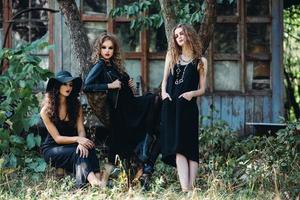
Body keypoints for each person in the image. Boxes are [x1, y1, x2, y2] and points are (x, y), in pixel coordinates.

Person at [83, 32, 161, 186]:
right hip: (120, 111)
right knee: (115, 145)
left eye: (110, 48)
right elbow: (87, 86)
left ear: (114, 50)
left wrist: (130, 86)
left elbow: (126, 88)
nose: (107, 51)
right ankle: (104, 182)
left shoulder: (113, 65)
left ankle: (147, 139)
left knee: (155, 100)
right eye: (104, 47)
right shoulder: (99, 65)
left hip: (129, 106)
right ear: (99, 49)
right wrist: (109, 86)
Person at [160, 23, 207, 192]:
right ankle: (185, 189)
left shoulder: (200, 61)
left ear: (189, 35)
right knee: (178, 146)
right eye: (176, 35)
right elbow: (164, 81)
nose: (179, 37)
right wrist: (164, 93)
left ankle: (192, 188)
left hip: (188, 109)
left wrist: (190, 94)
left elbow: (203, 89)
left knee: (191, 147)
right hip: (172, 108)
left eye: (181, 34)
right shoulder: (171, 56)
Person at [40, 71, 103, 188]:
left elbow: (81, 130)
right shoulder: (46, 110)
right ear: (57, 86)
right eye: (65, 84)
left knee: (89, 146)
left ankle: (97, 180)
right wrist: (78, 140)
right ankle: (94, 183)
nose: (68, 87)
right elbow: (57, 139)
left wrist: (82, 141)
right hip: (52, 148)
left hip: (72, 144)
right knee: (77, 152)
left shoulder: (76, 105)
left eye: (71, 85)